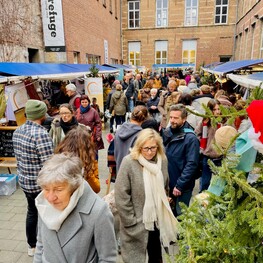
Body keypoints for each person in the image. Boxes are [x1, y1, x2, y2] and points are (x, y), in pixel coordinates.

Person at [33, 153, 117, 262]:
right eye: (46, 189)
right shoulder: (44, 203)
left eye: (58, 190)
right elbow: (40, 245)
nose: (50, 198)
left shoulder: (98, 211)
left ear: (74, 186)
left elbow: (108, 259)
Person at [115, 129, 179, 263]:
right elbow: (121, 194)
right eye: (146, 148)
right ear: (139, 147)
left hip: (157, 220)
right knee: (134, 259)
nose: (149, 152)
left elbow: (165, 186)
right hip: (136, 222)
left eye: (153, 148)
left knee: (156, 257)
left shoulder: (163, 161)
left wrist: (165, 199)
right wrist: (129, 220)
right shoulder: (129, 162)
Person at [12, 99, 53, 256]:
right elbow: (49, 164)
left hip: (24, 181)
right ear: (41, 114)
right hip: (39, 184)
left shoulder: (18, 131)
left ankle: (32, 246)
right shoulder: (41, 134)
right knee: (45, 214)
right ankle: (45, 246)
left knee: (31, 212)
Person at [162, 104, 200, 216]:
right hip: (168, 183)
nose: (172, 120)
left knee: (181, 215)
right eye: (171, 117)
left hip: (181, 186)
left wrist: (180, 185)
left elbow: (192, 164)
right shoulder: (168, 132)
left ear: (184, 119)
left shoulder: (191, 139)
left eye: (176, 118)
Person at [55, 126, 100, 193]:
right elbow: (96, 188)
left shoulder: (58, 159)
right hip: (83, 198)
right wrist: (89, 174)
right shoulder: (89, 161)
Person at [195, 99, 223, 192]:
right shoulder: (205, 122)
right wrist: (204, 144)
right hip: (207, 156)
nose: (217, 112)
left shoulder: (224, 121)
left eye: (218, 109)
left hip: (220, 156)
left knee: (219, 182)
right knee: (205, 182)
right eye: (214, 109)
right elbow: (197, 133)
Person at [114, 105, 148, 172]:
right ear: (145, 119)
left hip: (120, 169)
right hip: (133, 173)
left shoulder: (119, 130)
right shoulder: (141, 135)